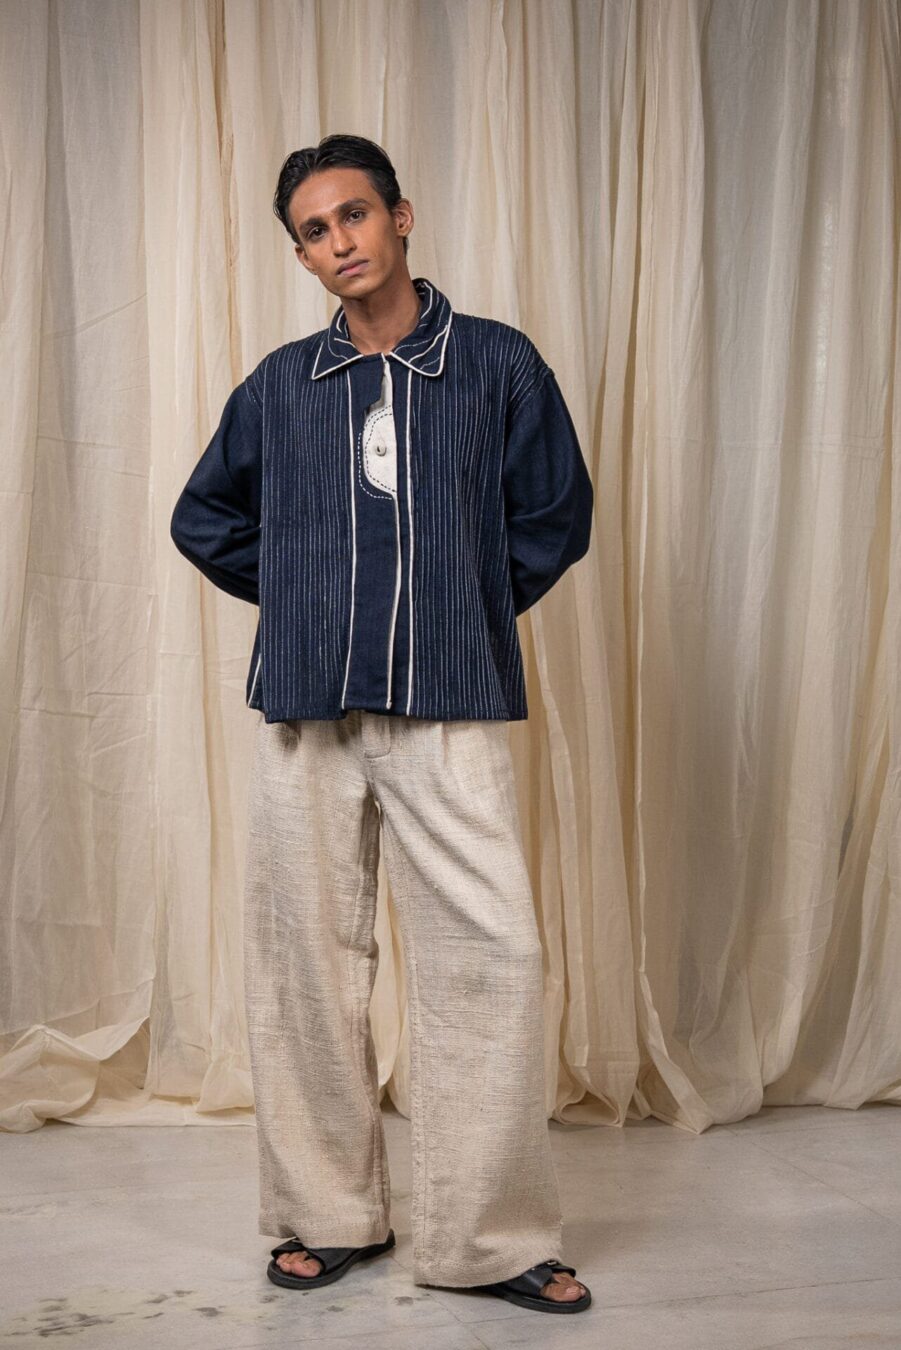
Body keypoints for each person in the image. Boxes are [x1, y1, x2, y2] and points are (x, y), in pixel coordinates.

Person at [170, 133, 594, 1315]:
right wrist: (307, 599)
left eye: (353, 214)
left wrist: (456, 606)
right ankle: (326, 1215)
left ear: (400, 217)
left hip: (447, 701)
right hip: (304, 709)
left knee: (490, 958)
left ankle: (489, 1240)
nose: (338, 241)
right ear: (302, 255)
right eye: (313, 230)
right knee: (303, 966)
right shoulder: (278, 386)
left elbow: (554, 513)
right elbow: (204, 518)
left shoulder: (496, 364)